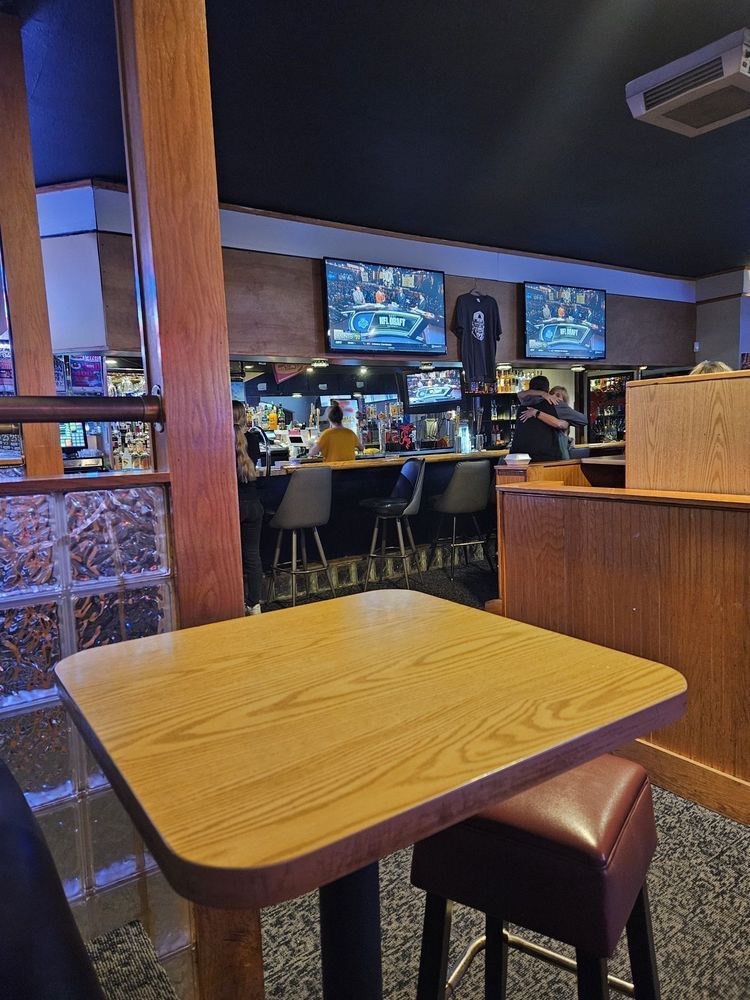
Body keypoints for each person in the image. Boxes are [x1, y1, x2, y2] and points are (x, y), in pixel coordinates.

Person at [232, 400, 264, 615]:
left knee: (230, 556)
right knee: (252, 555)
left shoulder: (220, 439)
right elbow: (258, 460)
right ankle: (255, 604)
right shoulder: (252, 438)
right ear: (244, 417)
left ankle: (233, 603)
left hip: (233, 506)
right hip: (254, 505)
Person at [517, 383, 587, 458]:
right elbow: (520, 394)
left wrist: (536, 413)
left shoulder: (563, 412)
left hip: (560, 454)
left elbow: (561, 424)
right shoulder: (547, 408)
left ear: (564, 399)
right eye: (552, 394)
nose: (554, 397)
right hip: (553, 453)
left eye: (558, 396)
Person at [508, 374, 567, 461]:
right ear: (548, 389)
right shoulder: (553, 406)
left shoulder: (523, 405)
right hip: (544, 457)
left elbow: (520, 394)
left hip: (518, 457)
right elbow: (565, 424)